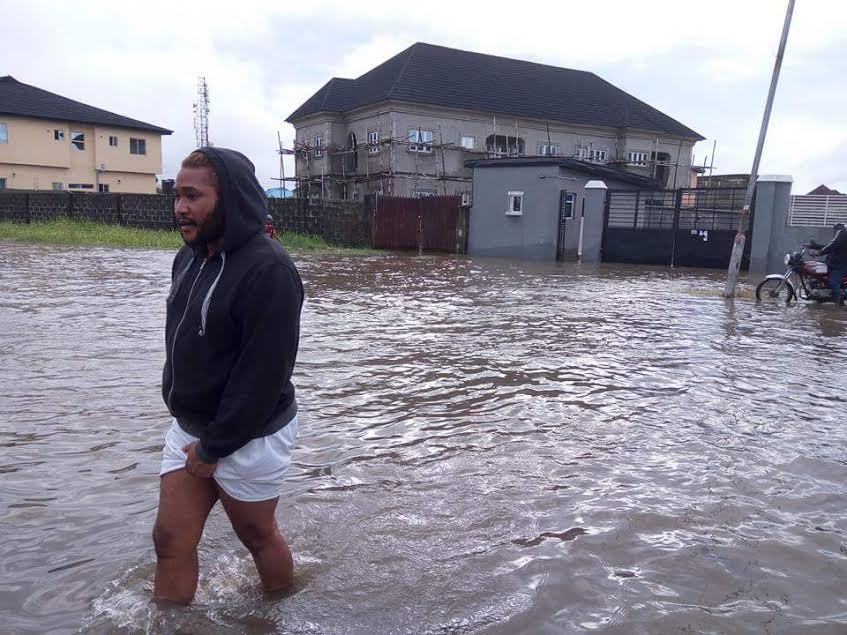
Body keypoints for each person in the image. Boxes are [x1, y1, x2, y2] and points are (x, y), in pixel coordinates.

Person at [153, 147, 304, 604]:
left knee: (256, 536)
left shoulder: (270, 271)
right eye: (177, 196)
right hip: (189, 427)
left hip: (251, 434)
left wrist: (217, 447)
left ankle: (277, 613)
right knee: (169, 541)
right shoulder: (191, 257)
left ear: (230, 199)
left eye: (193, 196)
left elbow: (263, 377)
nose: (180, 207)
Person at [812, 222, 847, 306]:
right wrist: (814, 246)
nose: (834, 231)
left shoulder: (843, 233)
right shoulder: (842, 233)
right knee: (817, 272)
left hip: (842, 264)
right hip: (833, 262)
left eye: (835, 229)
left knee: (833, 281)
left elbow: (833, 245)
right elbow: (830, 245)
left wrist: (819, 252)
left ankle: (839, 304)